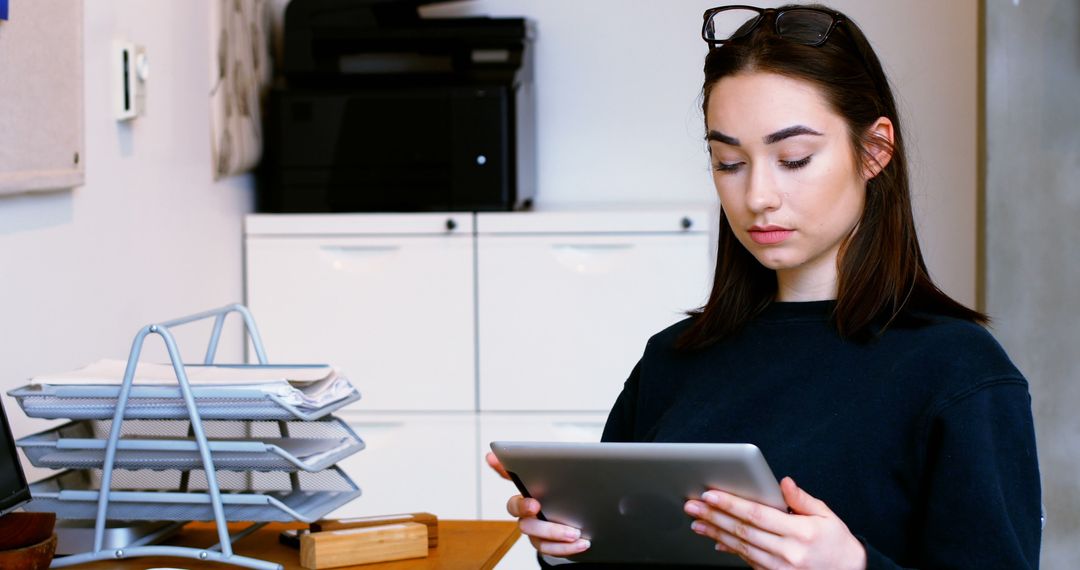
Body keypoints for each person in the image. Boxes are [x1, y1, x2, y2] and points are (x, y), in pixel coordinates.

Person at [486, 3, 1042, 569]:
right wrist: (568, 549)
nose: (757, 197)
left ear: (874, 150)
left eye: (793, 159)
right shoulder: (671, 360)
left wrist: (852, 567)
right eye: (729, 163)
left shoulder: (958, 372)